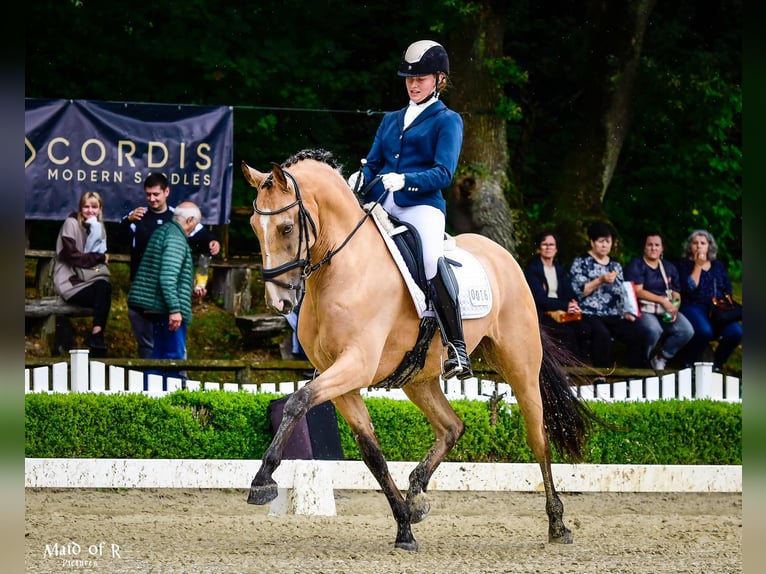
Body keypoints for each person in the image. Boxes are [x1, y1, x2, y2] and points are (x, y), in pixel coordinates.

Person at [346, 39, 471, 380]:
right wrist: (360, 177)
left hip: (421, 205)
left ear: (439, 80)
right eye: (409, 79)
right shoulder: (390, 120)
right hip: (382, 201)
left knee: (430, 258)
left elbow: (444, 172)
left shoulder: (448, 121)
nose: (414, 84)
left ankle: (456, 347)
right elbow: (373, 163)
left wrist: (406, 180)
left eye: (422, 78)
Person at [116, 172, 220, 358]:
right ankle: (157, 380)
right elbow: (116, 240)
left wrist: (213, 242)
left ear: (166, 192)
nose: (152, 198)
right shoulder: (138, 217)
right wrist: (127, 221)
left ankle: (160, 379)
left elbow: (202, 235)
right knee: (154, 349)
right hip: (146, 291)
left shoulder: (177, 217)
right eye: (148, 194)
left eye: (156, 194)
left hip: (169, 293)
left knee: (168, 347)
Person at [127, 202, 205, 387]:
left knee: (156, 358)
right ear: (190, 220)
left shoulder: (165, 231)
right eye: (195, 224)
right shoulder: (176, 239)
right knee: (173, 359)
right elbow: (167, 277)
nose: (193, 229)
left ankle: (151, 399)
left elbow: (165, 275)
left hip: (156, 307)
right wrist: (175, 309)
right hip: (166, 309)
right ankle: (174, 404)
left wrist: (189, 290)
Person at [569, 221, 648, 368]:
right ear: (592, 242)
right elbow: (578, 292)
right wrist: (600, 280)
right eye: (601, 241)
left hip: (614, 314)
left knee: (639, 332)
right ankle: (602, 374)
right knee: (602, 334)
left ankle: (636, 375)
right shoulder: (581, 262)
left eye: (608, 241)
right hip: (589, 313)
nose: (605, 245)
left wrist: (628, 311)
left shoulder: (615, 265)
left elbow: (622, 292)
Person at [52, 191, 112, 354]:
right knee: (102, 293)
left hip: (90, 278)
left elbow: (97, 256)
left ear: (100, 209)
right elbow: (73, 257)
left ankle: (96, 336)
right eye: (86, 206)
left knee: (104, 288)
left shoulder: (99, 228)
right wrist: (100, 257)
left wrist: (99, 257)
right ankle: (97, 345)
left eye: (94, 207)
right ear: (80, 208)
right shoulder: (71, 223)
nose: (90, 211)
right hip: (70, 281)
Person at [624, 233, 694, 371]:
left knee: (687, 330)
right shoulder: (637, 264)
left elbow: (676, 292)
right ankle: (643, 362)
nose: (653, 248)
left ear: (662, 248)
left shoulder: (669, 267)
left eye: (657, 245)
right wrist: (662, 300)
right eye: (650, 244)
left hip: (665, 309)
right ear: (644, 247)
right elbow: (638, 291)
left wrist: (674, 307)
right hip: (644, 308)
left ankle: (661, 357)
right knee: (653, 330)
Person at [676, 229, 742, 372]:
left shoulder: (717, 265)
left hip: (716, 309)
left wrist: (723, 304)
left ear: (709, 246)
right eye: (695, 243)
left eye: (703, 243)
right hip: (693, 306)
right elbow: (689, 289)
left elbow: (727, 288)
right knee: (704, 331)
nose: (699, 246)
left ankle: (715, 365)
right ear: (690, 246)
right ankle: (689, 364)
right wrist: (698, 266)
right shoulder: (684, 264)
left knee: (736, 332)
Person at [524, 230, 591, 362]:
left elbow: (569, 292)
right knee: (566, 333)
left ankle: (584, 366)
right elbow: (540, 299)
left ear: (556, 248)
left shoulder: (559, 269)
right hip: (542, 313)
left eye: (551, 245)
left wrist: (573, 304)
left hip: (562, 311)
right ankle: (568, 367)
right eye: (545, 244)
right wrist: (566, 305)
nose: (548, 248)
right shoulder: (533, 269)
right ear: (538, 248)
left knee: (585, 329)